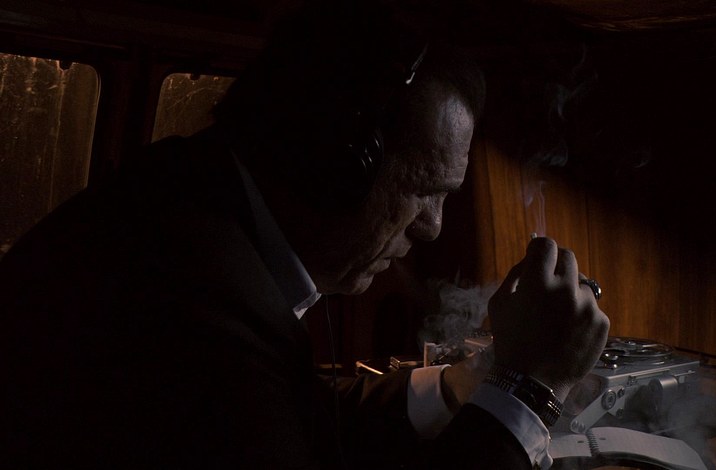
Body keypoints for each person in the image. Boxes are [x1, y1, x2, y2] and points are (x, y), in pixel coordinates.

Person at [0, 3, 609, 468]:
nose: (432, 225)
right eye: (423, 189)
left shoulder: (187, 205)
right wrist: (529, 390)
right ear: (335, 162)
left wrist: (457, 386)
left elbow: (291, 410)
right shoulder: (186, 307)